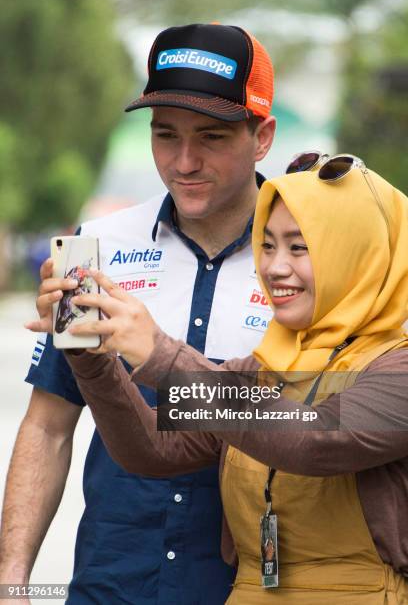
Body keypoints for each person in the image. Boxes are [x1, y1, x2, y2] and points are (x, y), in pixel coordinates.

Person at [28, 156, 408, 603]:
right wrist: (91, 354)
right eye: (267, 245)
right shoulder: (263, 364)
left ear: (357, 253)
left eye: (299, 248)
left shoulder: (396, 364)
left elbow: (316, 439)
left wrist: (159, 352)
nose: (275, 268)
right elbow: (154, 446)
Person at [0, 23, 276, 604]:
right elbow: (48, 427)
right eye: (164, 135)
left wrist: (158, 356)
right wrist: (12, 581)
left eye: (212, 137)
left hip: (252, 586)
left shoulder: (309, 257)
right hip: (112, 582)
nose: (184, 161)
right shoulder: (93, 247)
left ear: (263, 136)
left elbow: (318, 417)